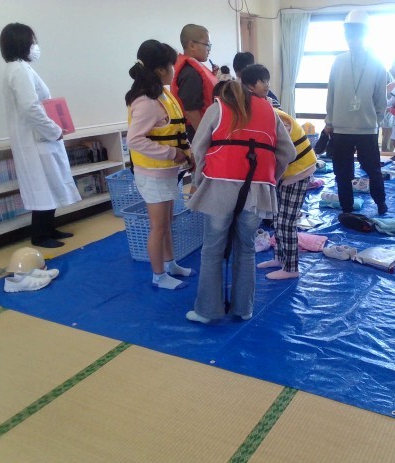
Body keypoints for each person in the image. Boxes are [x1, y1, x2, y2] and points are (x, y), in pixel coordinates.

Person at [186, 81, 296, 322]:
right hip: (256, 192)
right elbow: (289, 153)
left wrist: (198, 181)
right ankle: (244, 309)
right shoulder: (269, 111)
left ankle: (207, 311)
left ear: (221, 95)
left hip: (219, 188)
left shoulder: (217, 108)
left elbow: (198, 149)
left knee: (212, 250)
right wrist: (270, 179)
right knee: (246, 249)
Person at [0, 23, 81, 249]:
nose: (35, 46)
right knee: (42, 187)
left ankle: (48, 229)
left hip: (39, 138)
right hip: (35, 140)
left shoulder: (20, 68)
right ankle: (40, 236)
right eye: (32, 41)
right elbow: (31, 108)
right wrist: (54, 130)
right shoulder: (18, 70)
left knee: (50, 184)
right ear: (21, 43)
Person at [125, 40, 194, 290]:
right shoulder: (146, 101)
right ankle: (158, 275)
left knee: (168, 222)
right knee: (159, 226)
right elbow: (134, 140)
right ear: (160, 69)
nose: (174, 70)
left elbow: (176, 131)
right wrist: (171, 152)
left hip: (166, 172)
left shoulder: (163, 95)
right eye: (171, 65)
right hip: (152, 174)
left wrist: (188, 154)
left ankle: (170, 263)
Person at [241, 64, 317, 280]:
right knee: (277, 218)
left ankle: (291, 268)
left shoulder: (272, 114)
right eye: (263, 81)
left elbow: (284, 152)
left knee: (286, 222)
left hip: (298, 172)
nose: (266, 85)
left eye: (267, 81)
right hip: (287, 173)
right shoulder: (262, 110)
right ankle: (280, 258)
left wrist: (272, 178)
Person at [325, 10, 388, 215]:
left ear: (366, 35)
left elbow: (381, 98)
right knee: (342, 172)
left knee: (373, 169)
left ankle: (380, 203)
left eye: (357, 34)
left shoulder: (377, 63)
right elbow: (331, 92)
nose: (352, 39)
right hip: (341, 128)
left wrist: (376, 121)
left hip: (367, 128)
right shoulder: (338, 61)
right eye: (349, 35)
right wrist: (329, 121)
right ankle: (346, 209)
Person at [171, 24, 218, 142]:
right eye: (207, 44)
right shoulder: (190, 73)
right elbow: (191, 111)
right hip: (195, 131)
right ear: (192, 45)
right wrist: (204, 139)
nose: (209, 49)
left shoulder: (192, 68)